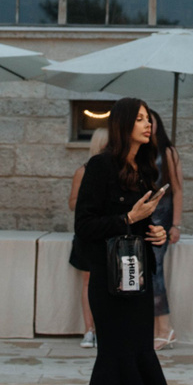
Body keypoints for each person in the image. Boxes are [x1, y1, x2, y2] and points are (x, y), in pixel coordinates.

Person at [63, 98, 170, 385]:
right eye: (140, 119)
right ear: (124, 124)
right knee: (111, 370)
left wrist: (155, 232)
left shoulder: (144, 170)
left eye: (149, 119)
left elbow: (140, 224)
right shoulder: (100, 167)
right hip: (109, 289)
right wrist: (129, 219)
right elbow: (85, 226)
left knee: (137, 371)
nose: (148, 124)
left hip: (137, 284)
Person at [147, 108, 185, 350]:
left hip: (162, 219)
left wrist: (176, 225)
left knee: (155, 272)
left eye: (149, 121)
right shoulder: (140, 151)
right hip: (143, 220)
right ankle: (154, 328)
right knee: (147, 272)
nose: (146, 125)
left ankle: (164, 328)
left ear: (157, 124)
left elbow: (178, 190)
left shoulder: (168, 152)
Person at [68, 130, 105, 347]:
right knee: (88, 281)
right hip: (89, 233)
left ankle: (104, 329)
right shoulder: (82, 172)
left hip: (108, 231)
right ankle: (89, 329)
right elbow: (72, 203)